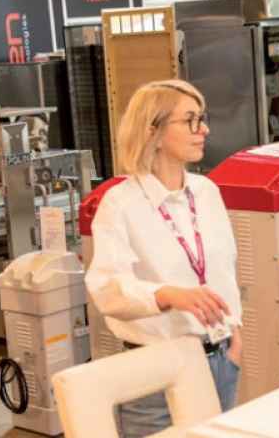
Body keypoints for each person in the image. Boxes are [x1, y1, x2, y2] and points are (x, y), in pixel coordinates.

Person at [84, 80, 241, 438]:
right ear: (152, 131)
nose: (204, 129)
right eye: (190, 120)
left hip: (220, 359)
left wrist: (236, 337)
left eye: (202, 118)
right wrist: (167, 295)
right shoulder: (120, 204)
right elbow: (107, 289)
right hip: (156, 371)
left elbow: (225, 274)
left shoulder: (206, 192)